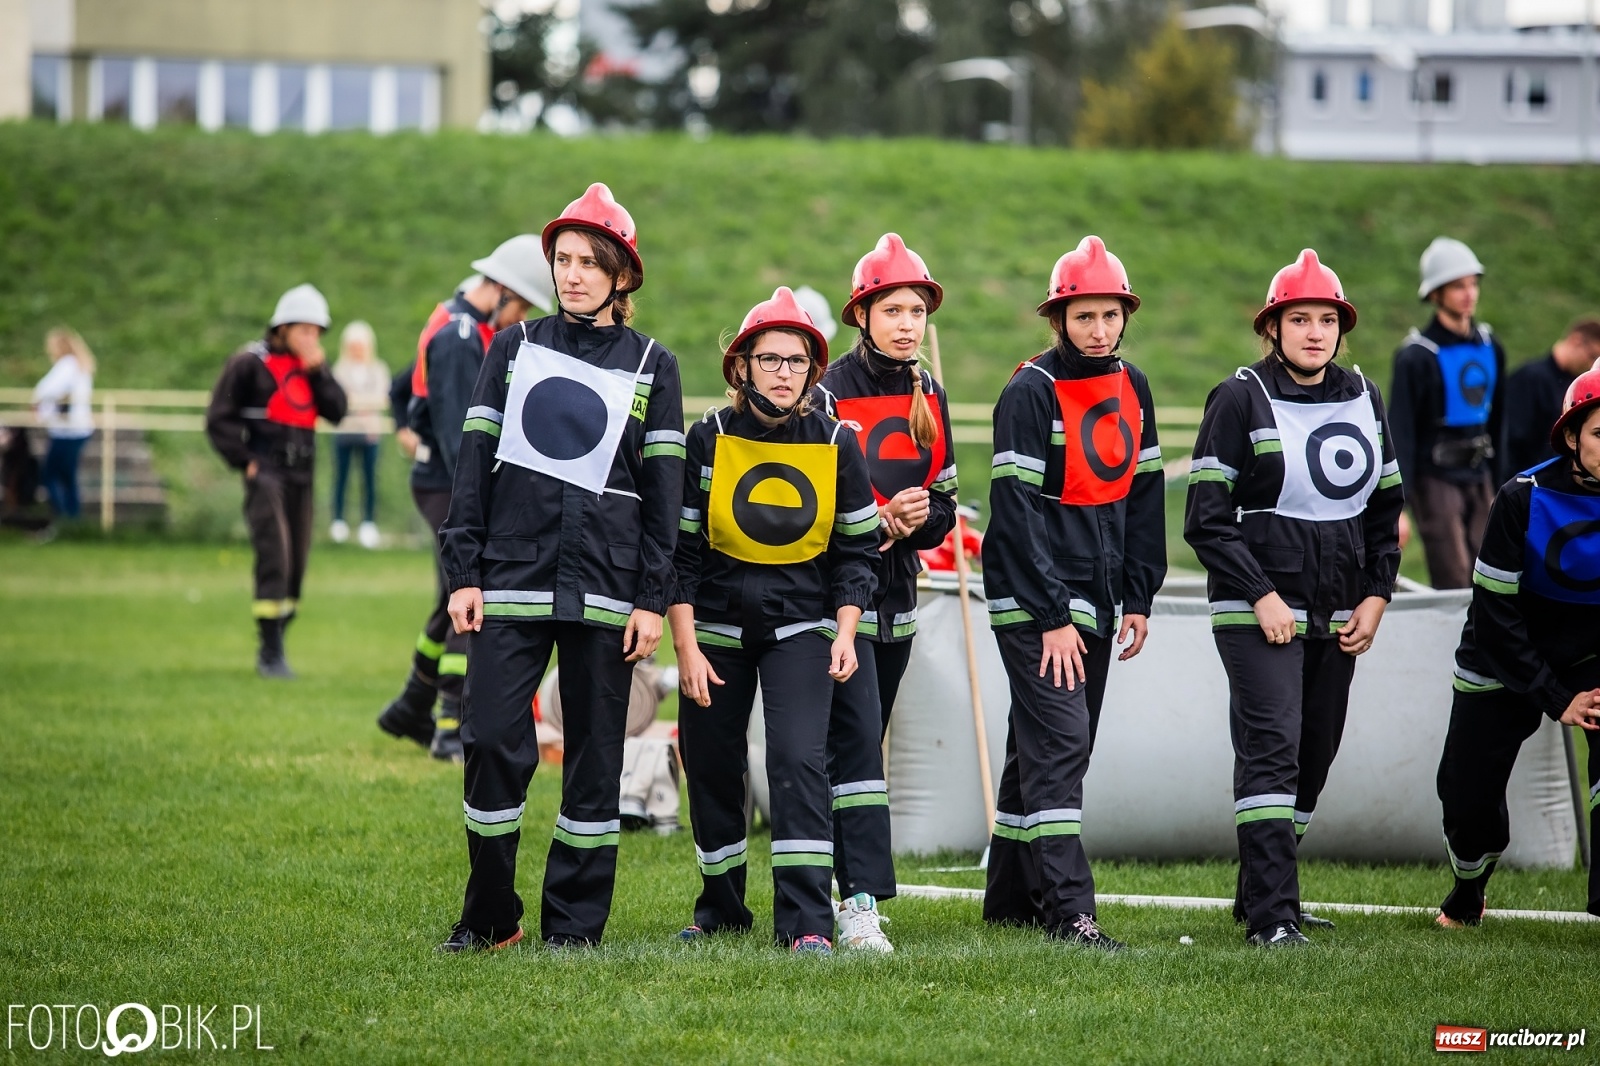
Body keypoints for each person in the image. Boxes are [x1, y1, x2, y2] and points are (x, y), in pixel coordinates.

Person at [436, 184, 684, 952]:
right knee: (490, 742)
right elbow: (472, 461)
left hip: (608, 591)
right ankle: (491, 919)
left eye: (589, 262)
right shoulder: (512, 348)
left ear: (623, 276)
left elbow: (665, 496)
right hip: (510, 575)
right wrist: (463, 571)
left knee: (594, 762)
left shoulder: (654, 366)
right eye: (564, 260)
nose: (572, 275)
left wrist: (651, 598)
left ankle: (574, 929)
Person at [1185, 249, 1403, 947]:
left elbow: (1384, 508)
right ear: (1271, 328)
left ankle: (1258, 897)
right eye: (1298, 318)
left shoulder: (1367, 396)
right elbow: (1205, 519)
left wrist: (1378, 595)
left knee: (1315, 753)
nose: (1314, 331)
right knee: (1273, 747)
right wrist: (1261, 596)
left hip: (1340, 610)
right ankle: (1274, 917)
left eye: (1327, 319)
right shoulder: (1238, 396)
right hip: (1258, 615)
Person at [670, 286, 879, 955]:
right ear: (743, 367)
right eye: (770, 359)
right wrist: (686, 647)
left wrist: (845, 631)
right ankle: (720, 911)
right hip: (715, 633)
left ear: (814, 370)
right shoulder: (708, 437)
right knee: (708, 764)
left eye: (796, 360)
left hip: (802, 629)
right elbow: (679, 553)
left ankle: (808, 922)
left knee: (796, 760)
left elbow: (856, 553)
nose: (784, 372)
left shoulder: (839, 441)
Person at [981, 236, 1166, 951]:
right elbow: (1017, 510)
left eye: (1109, 315)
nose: (1098, 329)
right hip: (1035, 603)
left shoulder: (1135, 386)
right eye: (1083, 316)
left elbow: (1143, 497)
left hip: (1099, 596)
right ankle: (1070, 914)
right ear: (1058, 320)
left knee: (1042, 751)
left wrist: (1140, 595)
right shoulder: (1030, 390)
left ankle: (1010, 902)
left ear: (1124, 317)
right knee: (1061, 747)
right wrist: (1052, 616)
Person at [810, 234, 958, 952]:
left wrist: (924, 519)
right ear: (860, 315)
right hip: (838, 601)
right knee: (857, 753)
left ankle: (827, 887)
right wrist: (879, 524)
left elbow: (950, 506)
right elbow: (809, 514)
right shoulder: (826, 390)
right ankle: (859, 902)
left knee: (860, 745)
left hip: (902, 600)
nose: (907, 323)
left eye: (917, 310)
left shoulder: (932, 392)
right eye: (891, 308)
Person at [1434, 367, 1600, 927]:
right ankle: (1468, 890)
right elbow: (1495, 614)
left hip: (1592, 657)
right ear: (1572, 436)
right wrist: (1554, 696)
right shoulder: (1521, 498)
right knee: (1466, 794)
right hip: (1502, 653)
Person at [377, 243, 553, 763]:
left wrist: (406, 421)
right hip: (449, 483)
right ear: (501, 292)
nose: (520, 319)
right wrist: (479, 502)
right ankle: (450, 725)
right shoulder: (459, 338)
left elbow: (398, 386)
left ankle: (411, 705)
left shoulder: (456, 323)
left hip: (442, 479)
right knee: (469, 589)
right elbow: (462, 438)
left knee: (446, 597)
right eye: (521, 306)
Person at [205, 285, 348, 678]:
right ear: (281, 328)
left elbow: (337, 410)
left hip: (302, 476)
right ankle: (270, 652)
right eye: (303, 329)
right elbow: (219, 417)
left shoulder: (313, 365)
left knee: (297, 565)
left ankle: (279, 635)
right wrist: (245, 461)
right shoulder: (248, 363)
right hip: (266, 474)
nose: (310, 338)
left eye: (316, 331)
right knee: (276, 557)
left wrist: (319, 370)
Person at [1389, 237, 1505, 589]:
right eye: (1457, 286)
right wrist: (1398, 505)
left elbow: (1499, 422)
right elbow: (1402, 432)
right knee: (1455, 577)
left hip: (1480, 475)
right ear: (1435, 294)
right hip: (1435, 479)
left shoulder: (1490, 346)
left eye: (1472, 284)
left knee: (1492, 574)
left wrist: (1504, 487)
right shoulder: (1416, 356)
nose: (1469, 293)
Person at [1500, 318, 1600, 476]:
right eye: (1592, 356)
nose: (1591, 366)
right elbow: (1509, 439)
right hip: (1525, 483)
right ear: (1576, 341)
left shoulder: (1573, 384)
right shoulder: (1530, 378)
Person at [329, 320, 390, 549]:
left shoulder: (377, 368)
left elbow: (382, 395)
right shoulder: (339, 369)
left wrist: (360, 406)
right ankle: (338, 521)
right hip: (345, 430)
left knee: (369, 478)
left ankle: (368, 522)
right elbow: (339, 398)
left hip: (370, 433)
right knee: (341, 477)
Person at [31, 327, 96, 521]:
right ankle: (72, 520)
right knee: (67, 477)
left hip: (67, 429)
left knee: (50, 476)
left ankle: (64, 519)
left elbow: (45, 390)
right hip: (78, 427)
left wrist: (37, 405)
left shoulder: (67, 365)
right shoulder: (80, 365)